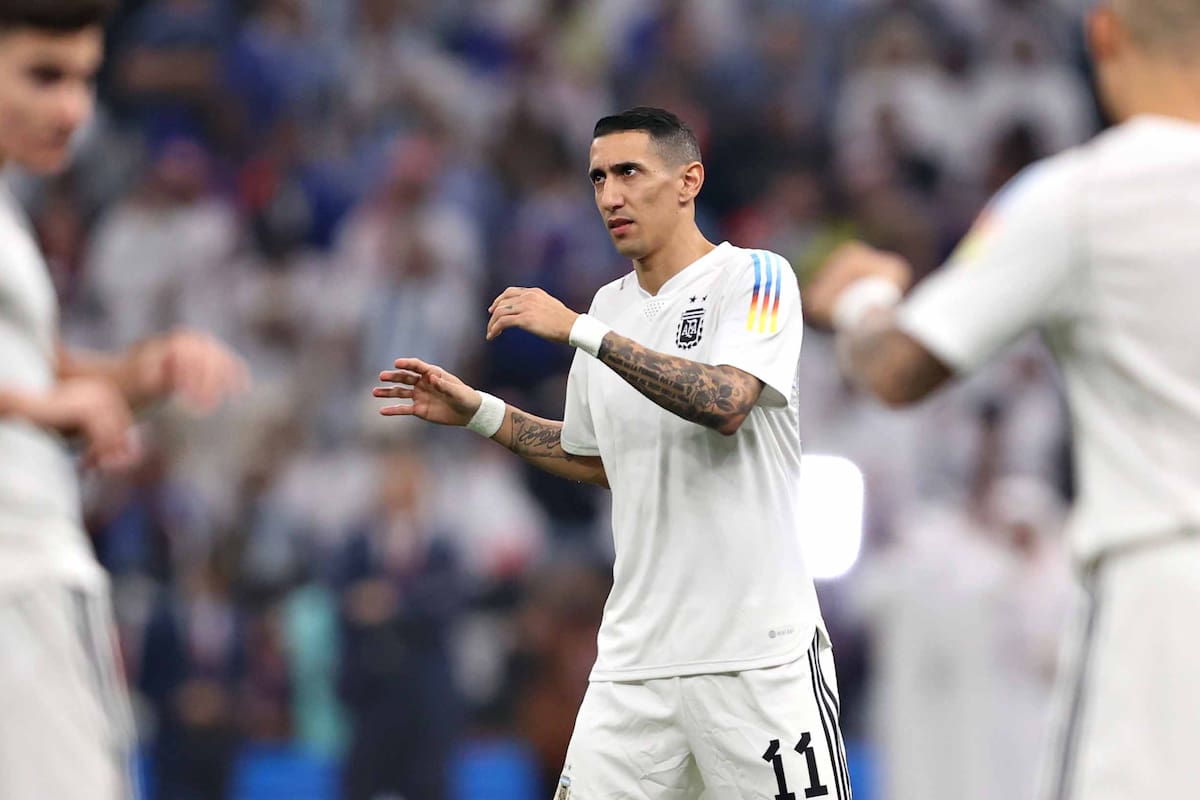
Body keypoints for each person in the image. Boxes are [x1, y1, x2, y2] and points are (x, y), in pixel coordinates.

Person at [375, 107, 852, 798]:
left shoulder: (754, 277)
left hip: (758, 654)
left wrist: (583, 333)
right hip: (636, 663)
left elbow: (726, 401)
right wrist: (482, 412)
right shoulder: (608, 306)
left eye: (629, 172)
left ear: (688, 180)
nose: (610, 196)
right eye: (598, 178)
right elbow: (598, 460)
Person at [804, 2, 1200, 797]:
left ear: (1104, 33)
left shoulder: (1080, 196)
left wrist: (861, 300)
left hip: (1161, 591)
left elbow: (897, 369)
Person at [0, 2, 248, 797]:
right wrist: (40, 410)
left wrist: (148, 371)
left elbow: (43, 375)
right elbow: (40, 398)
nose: (72, 108)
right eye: (43, 75)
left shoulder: (9, 219)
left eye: (84, 80)